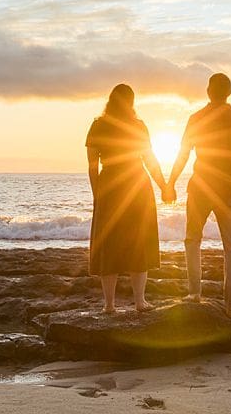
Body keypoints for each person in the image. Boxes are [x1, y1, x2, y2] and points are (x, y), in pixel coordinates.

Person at [165, 73, 231, 316]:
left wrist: (170, 182)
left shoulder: (197, 118)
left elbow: (183, 154)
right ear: (229, 92)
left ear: (208, 90)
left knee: (193, 238)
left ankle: (194, 292)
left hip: (202, 186)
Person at [86, 83, 171, 314]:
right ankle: (140, 302)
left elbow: (92, 166)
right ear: (132, 103)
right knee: (138, 243)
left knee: (109, 245)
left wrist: (97, 195)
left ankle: (109, 305)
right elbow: (150, 160)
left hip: (110, 186)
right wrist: (163, 185)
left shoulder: (98, 125)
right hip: (136, 184)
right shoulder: (138, 126)